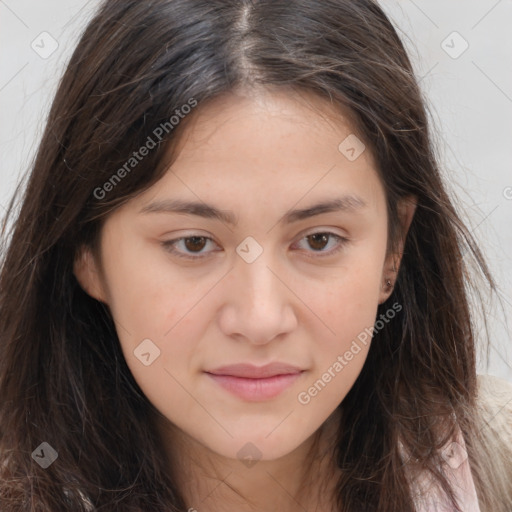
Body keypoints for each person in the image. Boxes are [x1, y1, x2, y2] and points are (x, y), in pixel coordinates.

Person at [0, 1, 511, 511]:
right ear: (85, 252)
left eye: (318, 240)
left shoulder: (498, 465)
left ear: (393, 248)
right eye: (193, 243)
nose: (260, 319)